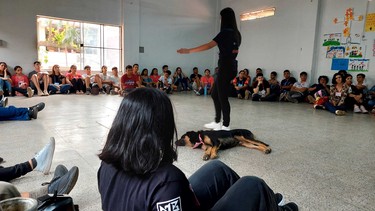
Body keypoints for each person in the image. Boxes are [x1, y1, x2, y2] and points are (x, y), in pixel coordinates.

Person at [97, 88, 298, 211]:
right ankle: (271, 204)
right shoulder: (166, 179)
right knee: (253, 185)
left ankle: (265, 202)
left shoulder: (106, 164)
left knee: (217, 169)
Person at [178, 7, 241, 131]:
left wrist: (189, 51)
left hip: (225, 67)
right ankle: (217, 122)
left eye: (221, 17)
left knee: (222, 97)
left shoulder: (225, 32)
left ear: (224, 18)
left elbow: (208, 45)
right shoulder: (237, 34)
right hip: (231, 66)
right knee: (214, 94)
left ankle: (226, 125)